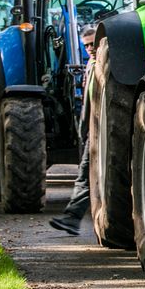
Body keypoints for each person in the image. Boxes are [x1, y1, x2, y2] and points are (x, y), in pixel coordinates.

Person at [50, 24, 97, 235]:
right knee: (85, 175)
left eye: (93, 44)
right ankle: (72, 219)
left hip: (98, 131)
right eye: (86, 45)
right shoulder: (90, 66)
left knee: (85, 175)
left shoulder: (104, 66)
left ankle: (72, 218)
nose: (90, 49)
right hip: (91, 132)